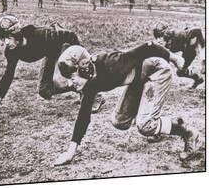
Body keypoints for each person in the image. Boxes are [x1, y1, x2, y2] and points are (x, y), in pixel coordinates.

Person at [54, 42, 199, 166]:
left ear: (84, 66)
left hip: (156, 71)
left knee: (145, 125)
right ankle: (157, 123)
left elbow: (148, 46)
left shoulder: (111, 63)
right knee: (119, 121)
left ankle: (185, 131)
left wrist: (173, 58)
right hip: (138, 79)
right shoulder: (90, 83)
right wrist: (70, 152)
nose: (71, 82)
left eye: (72, 76)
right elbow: (83, 116)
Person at [0, 15, 104, 122]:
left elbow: (70, 36)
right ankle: (83, 91)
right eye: (3, 38)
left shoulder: (42, 34)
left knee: (59, 80)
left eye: (8, 37)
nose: (6, 42)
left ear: (17, 34)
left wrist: (79, 61)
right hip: (51, 52)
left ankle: (94, 94)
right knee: (44, 90)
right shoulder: (11, 51)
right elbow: (7, 76)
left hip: (66, 43)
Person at [153, 22, 205, 88]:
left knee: (198, 49)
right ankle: (198, 79)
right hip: (188, 51)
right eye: (158, 37)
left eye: (161, 35)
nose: (160, 39)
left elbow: (198, 30)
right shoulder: (166, 46)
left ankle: (204, 60)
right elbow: (167, 60)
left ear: (167, 32)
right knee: (180, 72)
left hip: (197, 44)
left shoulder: (178, 34)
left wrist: (201, 50)